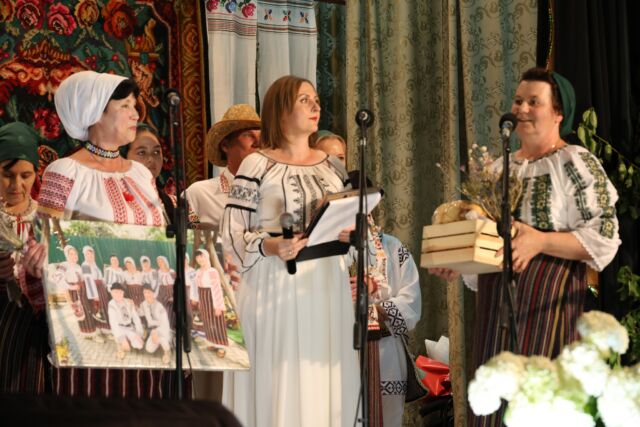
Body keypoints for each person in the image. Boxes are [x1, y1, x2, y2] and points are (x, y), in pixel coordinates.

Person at [429, 67, 621, 427]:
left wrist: (540, 240)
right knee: (493, 409)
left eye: (535, 102)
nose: (522, 108)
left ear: (558, 113)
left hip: (550, 307)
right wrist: (458, 262)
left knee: (541, 405)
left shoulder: (574, 163)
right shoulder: (498, 170)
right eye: (518, 101)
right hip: (494, 311)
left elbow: (604, 237)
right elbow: (485, 244)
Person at [221, 75, 360, 426]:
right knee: (279, 378)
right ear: (281, 110)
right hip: (273, 284)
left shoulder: (333, 166)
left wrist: (351, 235)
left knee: (322, 379)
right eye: (304, 100)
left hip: (327, 285)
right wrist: (270, 245)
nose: (315, 106)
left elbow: (354, 227)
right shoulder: (257, 164)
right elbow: (231, 232)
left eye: (316, 100)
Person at [37, 70, 178, 398]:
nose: (136, 113)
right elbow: (43, 243)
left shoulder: (141, 173)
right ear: (95, 112)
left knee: (143, 405)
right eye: (125, 105)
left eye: (135, 105)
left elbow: (160, 237)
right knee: (95, 404)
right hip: (93, 316)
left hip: (145, 311)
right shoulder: (67, 171)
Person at [0, 122, 49, 394]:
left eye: (25, 175)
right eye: (7, 175)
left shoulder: (46, 218)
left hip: (34, 332)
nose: (16, 185)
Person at [185, 104, 261, 231]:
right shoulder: (198, 194)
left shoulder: (275, 191)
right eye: (248, 135)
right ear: (225, 145)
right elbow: (187, 239)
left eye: (262, 137)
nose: (259, 143)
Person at [123, 124, 174, 221]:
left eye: (156, 152)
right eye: (141, 152)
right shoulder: (114, 199)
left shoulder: (174, 203)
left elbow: (196, 227)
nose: (151, 159)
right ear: (124, 157)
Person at [194, 249, 228, 357]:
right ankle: (213, 342)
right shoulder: (198, 271)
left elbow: (217, 288)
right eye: (197, 257)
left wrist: (218, 306)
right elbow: (198, 288)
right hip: (204, 299)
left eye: (202, 256)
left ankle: (221, 346)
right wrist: (200, 301)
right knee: (208, 322)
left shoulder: (212, 271)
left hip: (212, 299)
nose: (200, 259)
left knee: (217, 322)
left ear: (207, 257)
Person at [108, 282, 144, 361]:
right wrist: (122, 339)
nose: (118, 295)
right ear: (111, 293)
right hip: (119, 328)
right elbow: (113, 324)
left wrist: (139, 333)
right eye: (115, 292)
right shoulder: (111, 304)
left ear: (123, 293)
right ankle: (120, 346)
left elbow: (136, 318)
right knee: (121, 340)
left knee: (140, 345)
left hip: (129, 327)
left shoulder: (128, 302)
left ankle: (129, 340)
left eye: (120, 292)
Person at [140, 283, 172, 364]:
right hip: (152, 330)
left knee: (162, 339)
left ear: (153, 293)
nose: (146, 295)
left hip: (162, 329)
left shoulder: (159, 306)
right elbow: (140, 313)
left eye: (149, 292)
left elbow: (164, 323)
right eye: (145, 292)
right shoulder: (143, 304)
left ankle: (167, 352)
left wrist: (155, 332)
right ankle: (159, 343)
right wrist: (133, 306)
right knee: (149, 349)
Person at [81, 245, 109, 330]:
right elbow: (88, 281)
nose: (90, 256)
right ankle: (101, 327)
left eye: (91, 254)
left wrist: (104, 287)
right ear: (85, 255)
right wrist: (94, 296)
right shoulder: (85, 265)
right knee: (97, 308)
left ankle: (107, 326)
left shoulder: (94, 265)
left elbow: (100, 278)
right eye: (88, 254)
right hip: (94, 290)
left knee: (104, 307)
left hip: (101, 289)